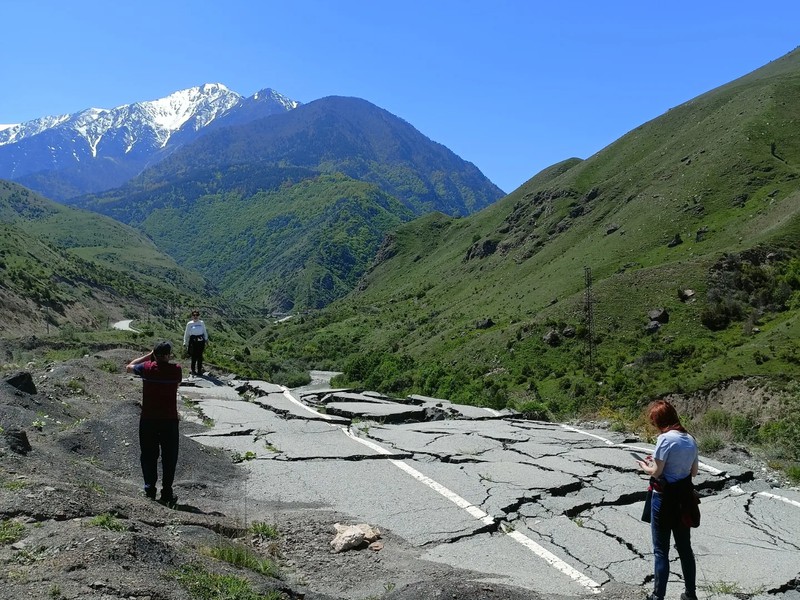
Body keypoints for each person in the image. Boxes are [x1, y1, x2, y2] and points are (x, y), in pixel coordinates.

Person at [637, 399, 700, 600]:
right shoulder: (690, 439)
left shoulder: (665, 440)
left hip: (664, 500)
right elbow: (694, 472)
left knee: (661, 551)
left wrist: (644, 466)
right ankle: (690, 594)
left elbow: (657, 472)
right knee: (684, 548)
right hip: (684, 499)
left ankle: (658, 596)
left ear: (659, 420)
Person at [126, 341, 182, 504]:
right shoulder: (176, 370)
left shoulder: (146, 368)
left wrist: (149, 355)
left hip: (148, 419)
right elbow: (177, 383)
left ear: (155, 355)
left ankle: (150, 489)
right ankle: (167, 492)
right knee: (169, 457)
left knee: (148, 455)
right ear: (168, 355)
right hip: (169, 420)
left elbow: (129, 366)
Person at [183, 310, 209, 376]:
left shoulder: (201, 323)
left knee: (200, 356)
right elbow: (186, 333)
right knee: (194, 356)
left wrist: (206, 339)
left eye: (197, 315)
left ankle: (199, 370)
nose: (195, 317)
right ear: (192, 316)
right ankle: (193, 370)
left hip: (200, 340)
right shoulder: (189, 324)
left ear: (199, 316)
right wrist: (185, 342)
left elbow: (204, 331)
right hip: (193, 340)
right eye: (194, 315)